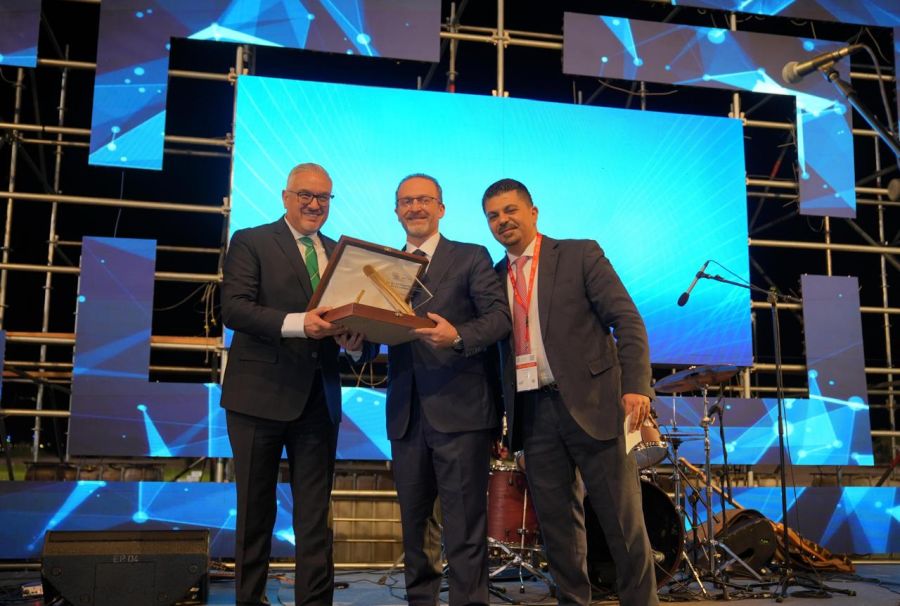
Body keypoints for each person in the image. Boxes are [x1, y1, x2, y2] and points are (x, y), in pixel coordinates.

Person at [481, 178, 658, 606]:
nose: (502, 220)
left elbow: (627, 320)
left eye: (510, 210)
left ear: (533, 212)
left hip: (596, 405)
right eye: (493, 216)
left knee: (622, 525)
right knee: (558, 532)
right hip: (534, 415)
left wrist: (637, 387)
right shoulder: (492, 278)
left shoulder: (580, 254)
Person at [220, 162, 361, 606]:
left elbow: (357, 319)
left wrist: (357, 343)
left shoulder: (341, 253)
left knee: (315, 519)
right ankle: (250, 600)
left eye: (323, 197)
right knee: (254, 512)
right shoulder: (251, 241)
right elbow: (234, 309)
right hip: (257, 398)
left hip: (319, 401)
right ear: (286, 197)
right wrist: (302, 324)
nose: (314, 204)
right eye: (306, 195)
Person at [381, 173, 510, 606]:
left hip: (462, 411)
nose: (415, 208)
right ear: (396, 211)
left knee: (465, 527)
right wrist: (356, 343)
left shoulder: (471, 257)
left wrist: (457, 336)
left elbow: (499, 319)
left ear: (441, 208)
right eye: (406, 201)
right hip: (406, 416)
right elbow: (375, 331)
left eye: (424, 200)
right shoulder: (384, 266)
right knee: (415, 527)